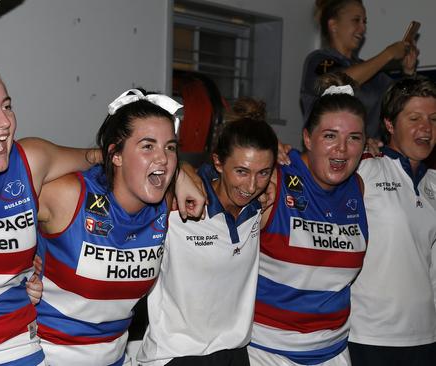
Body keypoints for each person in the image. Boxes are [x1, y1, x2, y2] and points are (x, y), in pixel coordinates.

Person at [0, 48, 204, 365]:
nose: (5, 121)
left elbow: (101, 157)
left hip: (19, 348)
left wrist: (179, 171)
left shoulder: (30, 160)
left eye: (7, 106)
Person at [34, 89, 183, 366]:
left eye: (170, 147)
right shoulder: (70, 196)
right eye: (148, 146)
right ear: (115, 155)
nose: (163, 158)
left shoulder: (166, 203)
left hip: (114, 356)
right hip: (44, 355)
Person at [137, 112, 278, 365]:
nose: (252, 185)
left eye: (263, 173)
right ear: (218, 163)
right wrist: (180, 170)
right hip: (176, 356)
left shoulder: (259, 206)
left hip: (234, 353)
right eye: (242, 171)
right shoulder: (177, 204)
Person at [249, 84, 368, 365]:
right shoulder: (274, 180)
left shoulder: (358, 187)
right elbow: (220, 180)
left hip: (334, 351)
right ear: (307, 138)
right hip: (267, 352)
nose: (342, 148)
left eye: (354, 138)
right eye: (330, 136)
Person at [348, 77, 436, 365]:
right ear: (389, 124)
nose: (426, 128)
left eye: (433, 119)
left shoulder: (435, 182)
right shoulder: (363, 170)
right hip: (369, 336)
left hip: (425, 336)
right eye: (414, 118)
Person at [301, 0, 418, 140]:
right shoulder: (318, 60)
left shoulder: (372, 71)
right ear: (333, 25)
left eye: (364, 22)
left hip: (370, 157)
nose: (362, 28)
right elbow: (338, 81)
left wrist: (408, 71)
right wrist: (388, 54)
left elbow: (400, 101)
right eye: (356, 20)